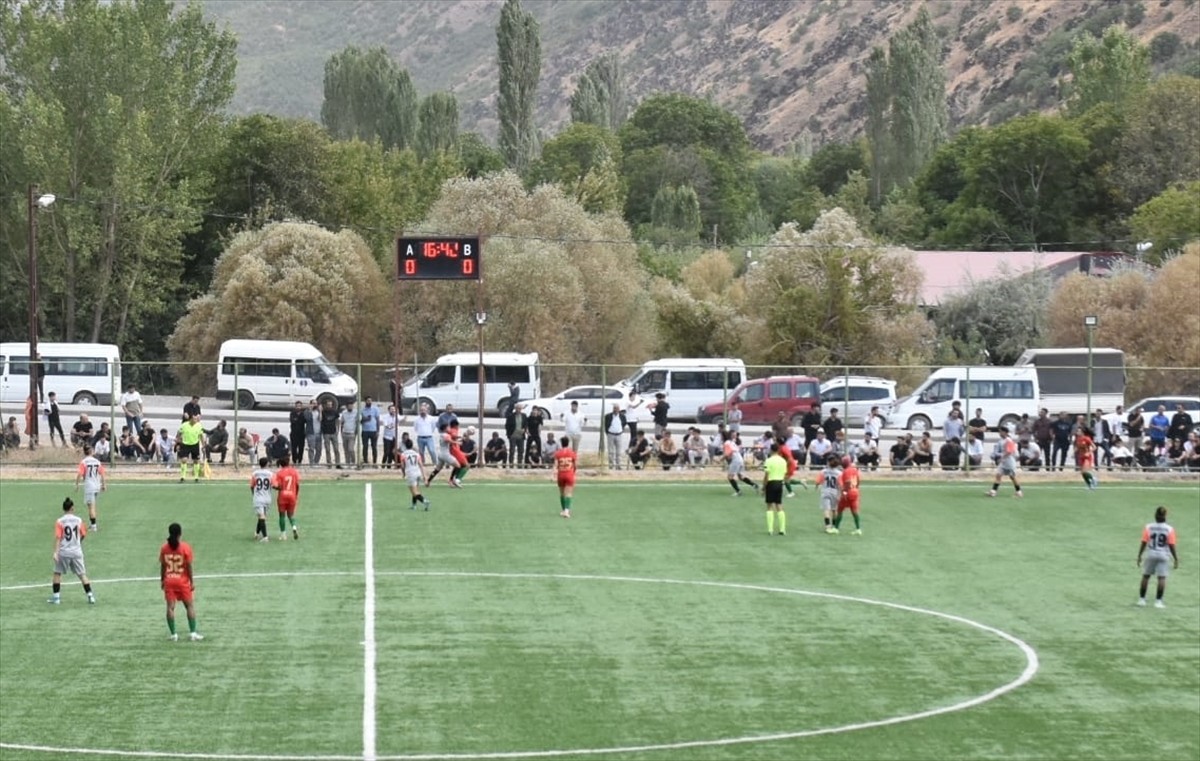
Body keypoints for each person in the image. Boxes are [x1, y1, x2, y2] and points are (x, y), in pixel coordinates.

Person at [48, 498, 95, 605]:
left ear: (63, 509)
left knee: (57, 573)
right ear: (72, 508)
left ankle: (56, 598)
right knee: (82, 574)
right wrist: (78, 542)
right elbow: (83, 534)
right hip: (76, 551)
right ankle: (90, 596)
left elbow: (58, 537)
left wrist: (56, 552)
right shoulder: (78, 520)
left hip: (64, 551)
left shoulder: (60, 521)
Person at [160, 522, 202, 641]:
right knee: (189, 606)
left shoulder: (164, 548)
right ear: (180, 533)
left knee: (170, 607)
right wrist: (191, 581)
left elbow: (163, 566)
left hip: (169, 581)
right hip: (182, 582)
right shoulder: (185, 547)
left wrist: (162, 579)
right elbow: (188, 566)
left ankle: (174, 634)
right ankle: (193, 633)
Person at [1137, 506, 1179, 608]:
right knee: (1161, 578)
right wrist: (1175, 558)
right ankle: (1158, 601)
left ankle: (1142, 600)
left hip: (1151, 553)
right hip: (1163, 555)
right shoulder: (1170, 529)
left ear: (1155, 515)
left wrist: (1139, 555)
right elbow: (1171, 544)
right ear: (1165, 516)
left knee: (1146, 576)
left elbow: (1144, 542)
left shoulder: (1148, 527)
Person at [986, 428, 1023, 498]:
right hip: (1004, 462)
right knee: (998, 475)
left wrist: (1002, 458)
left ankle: (1019, 492)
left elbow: (1009, 452)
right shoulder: (1001, 441)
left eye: (1001, 432)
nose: (999, 433)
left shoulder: (1009, 440)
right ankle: (993, 491)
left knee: (1012, 477)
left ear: (1005, 432)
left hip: (1009, 461)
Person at [272, 454, 301, 540]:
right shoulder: (294, 472)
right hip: (292, 495)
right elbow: (297, 485)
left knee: (282, 515)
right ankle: (294, 527)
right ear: (288, 462)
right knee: (291, 515)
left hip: (283, 496)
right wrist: (296, 494)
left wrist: (277, 488)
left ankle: (283, 534)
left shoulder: (279, 473)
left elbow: (276, 485)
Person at [398, 434, 430, 510]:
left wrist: (403, 473)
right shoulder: (417, 454)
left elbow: (402, 466)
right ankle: (414, 505)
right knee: (416, 489)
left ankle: (424, 501)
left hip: (410, 473)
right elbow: (421, 465)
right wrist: (424, 476)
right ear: (412, 446)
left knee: (414, 491)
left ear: (405, 446)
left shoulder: (403, 454)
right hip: (418, 472)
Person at [762, 443, 788, 536]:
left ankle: (770, 529)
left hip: (771, 482)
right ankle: (782, 529)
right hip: (779, 483)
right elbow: (785, 474)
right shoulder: (783, 461)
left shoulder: (768, 461)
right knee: (779, 505)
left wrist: (764, 487)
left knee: (769, 506)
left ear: (771, 450)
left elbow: (767, 475)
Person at [834, 454, 863, 535]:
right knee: (854, 511)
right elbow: (858, 480)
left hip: (849, 492)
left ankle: (836, 528)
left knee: (840, 509)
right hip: (855, 491)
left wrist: (844, 491)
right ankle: (858, 529)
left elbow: (847, 482)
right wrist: (856, 488)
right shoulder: (854, 469)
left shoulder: (846, 471)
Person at [723, 431, 758, 497]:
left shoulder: (727, 443)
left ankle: (738, 491)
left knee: (730, 477)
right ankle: (754, 485)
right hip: (740, 459)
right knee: (741, 477)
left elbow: (727, 453)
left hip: (736, 460)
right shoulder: (733, 443)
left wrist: (720, 459)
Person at [250, 457, 274, 542]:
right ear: (267, 464)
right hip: (267, 498)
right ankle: (256, 533)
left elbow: (252, 486)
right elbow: (273, 485)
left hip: (259, 498)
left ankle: (265, 537)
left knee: (261, 516)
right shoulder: (270, 474)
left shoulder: (255, 474)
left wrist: (254, 495)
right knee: (262, 516)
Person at [554, 435, 578, 518]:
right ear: (568, 443)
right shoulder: (572, 453)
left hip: (561, 474)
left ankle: (564, 510)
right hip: (569, 474)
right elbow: (575, 465)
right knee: (568, 493)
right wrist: (573, 473)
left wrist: (553, 475)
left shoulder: (558, 453)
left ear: (561, 444)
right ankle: (567, 511)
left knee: (562, 493)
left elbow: (555, 466)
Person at [177, 413, 205, 482]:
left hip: (195, 444)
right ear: (190, 419)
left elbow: (201, 436)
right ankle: (182, 477)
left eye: (196, 419)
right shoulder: (184, 425)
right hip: (185, 444)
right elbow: (179, 434)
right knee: (184, 460)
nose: (196, 420)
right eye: (194, 419)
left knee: (196, 461)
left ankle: (196, 477)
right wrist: (178, 442)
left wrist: (203, 445)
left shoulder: (199, 425)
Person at [601, 403, 625, 470]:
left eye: (617, 408)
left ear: (619, 409)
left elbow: (624, 423)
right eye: (614, 408)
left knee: (619, 451)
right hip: (611, 434)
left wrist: (621, 430)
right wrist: (608, 433)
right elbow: (606, 425)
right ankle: (611, 465)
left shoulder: (622, 416)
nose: (616, 410)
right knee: (611, 451)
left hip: (619, 435)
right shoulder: (608, 416)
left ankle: (618, 465)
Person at [320, 398, 341, 468]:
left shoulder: (335, 411)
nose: (329, 406)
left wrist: (338, 429)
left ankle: (338, 463)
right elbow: (320, 420)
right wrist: (320, 411)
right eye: (328, 404)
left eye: (330, 404)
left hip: (334, 432)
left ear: (332, 405)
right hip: (326, 433)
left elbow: (337, 420)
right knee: (328, 449)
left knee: (336, 449)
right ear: (326, 405)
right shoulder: (323, 412)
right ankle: (329, 464)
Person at [1075, 426, 1098, 490]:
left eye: (1078, 431)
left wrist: (1089, 452)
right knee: (1082, 473)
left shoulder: (1087, 438)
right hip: (1081, 457)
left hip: (1087, 457)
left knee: (1084, 471)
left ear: (1082, 432)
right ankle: (1090, 485)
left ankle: (1093, 479)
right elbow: (1078, 447)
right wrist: (1074, 453)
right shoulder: (1078, 439)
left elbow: (1094, 447)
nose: (1077, 432)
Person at [360, 396, 380, 467]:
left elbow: (378, 420)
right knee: (365, 446)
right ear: (365, 401)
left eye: (370, 401)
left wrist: (378, 431)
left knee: (374, 447)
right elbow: (360, 421)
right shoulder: (362, 410)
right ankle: (365, 461)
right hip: (365, 431)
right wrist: (365, 419)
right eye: (368, 401)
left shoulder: (375, 409)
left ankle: (375, 462)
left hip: (373, 431)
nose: (369, 402)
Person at [506, 403, 528, 468]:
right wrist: (509, 434)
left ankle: (519, 464)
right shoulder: (511, 416)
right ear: (515, 409)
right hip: (513, 435)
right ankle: (511, 464)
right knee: (512, 450)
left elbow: (526, 424)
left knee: (520, 451)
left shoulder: (524, 416)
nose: (518, 410)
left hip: (521, 435)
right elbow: (507, 425)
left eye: (520, 408)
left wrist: (525, 429)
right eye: (517, 408)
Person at [381, 403, 401, 468]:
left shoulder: (397, 416)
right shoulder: (386, 417)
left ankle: (389, 465)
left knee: (391, 452)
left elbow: (403, 419)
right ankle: (383, 464)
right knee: (386, 452)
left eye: (394, 409)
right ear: (389, 410)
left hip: (394, 437)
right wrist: (392, 425)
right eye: (391, 409)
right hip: (387, 437)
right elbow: (387, 426)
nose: (393, 410)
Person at [339, 401, 359, 469]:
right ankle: (347, 463)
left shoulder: (356, 412)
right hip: (345, 433)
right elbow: (342, 422)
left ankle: (353, 462)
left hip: (352, 433)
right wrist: (341, 432)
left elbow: (357, 422)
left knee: (351, 449)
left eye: (351, 406)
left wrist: (355, 432)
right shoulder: (344, 413)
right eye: (349, 406)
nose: (350, 407)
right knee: (346, 449)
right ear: (347, 406)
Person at [304, 399, 322, 466]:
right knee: (311, 449)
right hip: (310, 433)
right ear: (310, 404)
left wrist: (320, 412)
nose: (315, 405)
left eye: (316, 403)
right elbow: (307, 419)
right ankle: (311, 463)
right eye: (313, 403)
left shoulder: (318, 411)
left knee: (319, 449)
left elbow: (320, 419)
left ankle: (316, 462)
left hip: (318, 433)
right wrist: (310, 410)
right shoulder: (307, 411)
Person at [289, 401, 307, 466]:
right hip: (293, 433)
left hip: (301, 434)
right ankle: (294, 460)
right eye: (297, 406)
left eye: (299, 406)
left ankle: (299, 460)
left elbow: (304, 421)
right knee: (294, 448)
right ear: (295, 406)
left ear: (301, 406)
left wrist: (298, 420)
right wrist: (298, 420)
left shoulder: (303, 413)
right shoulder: (292, 413)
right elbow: (292, 421)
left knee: (301, 448)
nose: (298, 407)